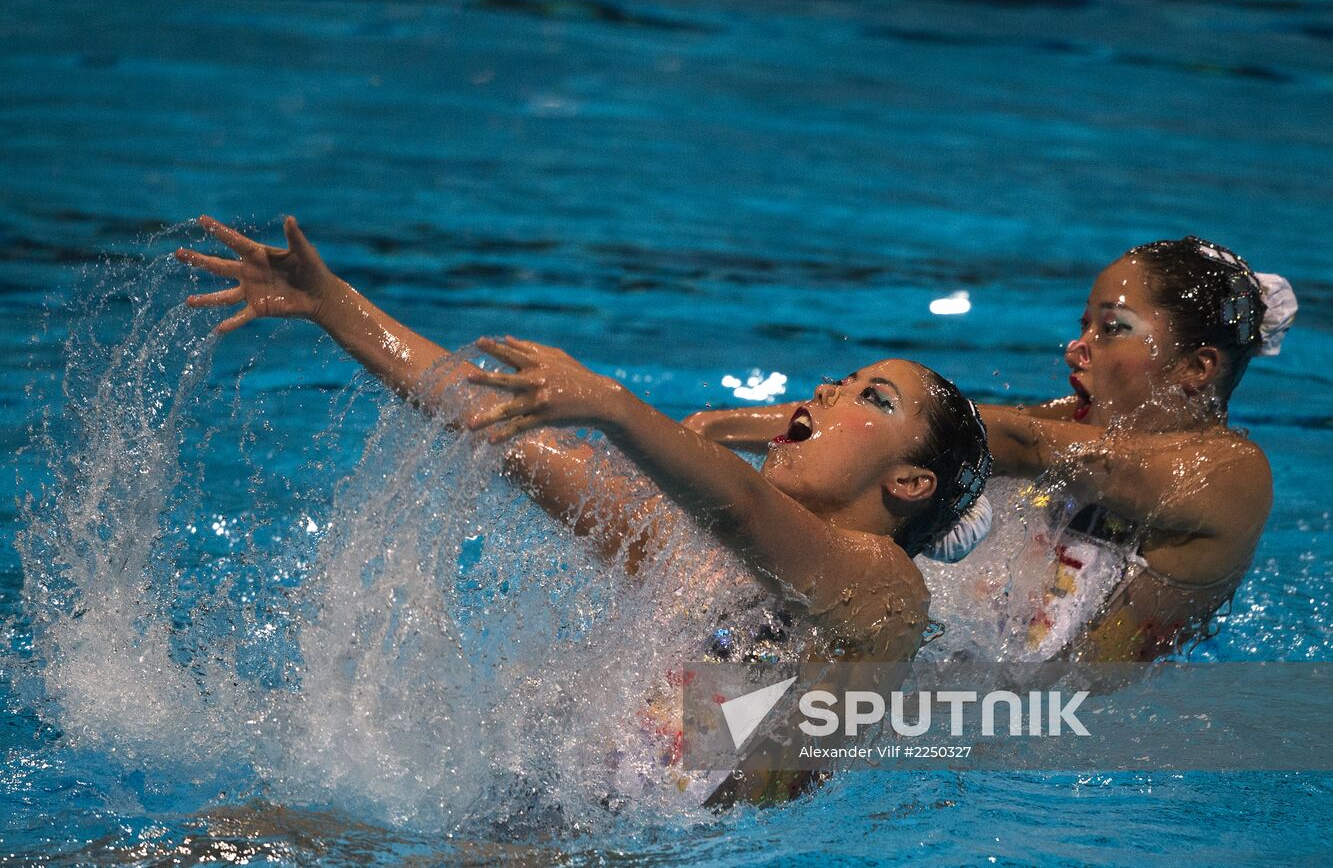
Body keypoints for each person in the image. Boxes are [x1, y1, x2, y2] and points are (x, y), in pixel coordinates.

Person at [174, 214, 992, 803]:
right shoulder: (708, 574)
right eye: (842, 379)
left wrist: (610, 404)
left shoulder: (885, 598)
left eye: (871, 398)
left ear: (909, 484)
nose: (825, 389)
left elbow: (740, 506)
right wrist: (334, 306)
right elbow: (506, 434)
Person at [684, 237, 1297, 661]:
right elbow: (936, 431)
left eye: (1110, 329)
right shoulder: (1082, 423)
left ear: (1197, 367)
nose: (1076, 350)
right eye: (1084, 324)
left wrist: (722, 427)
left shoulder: (1232, 475)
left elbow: (996, 438)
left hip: (1066, 751)